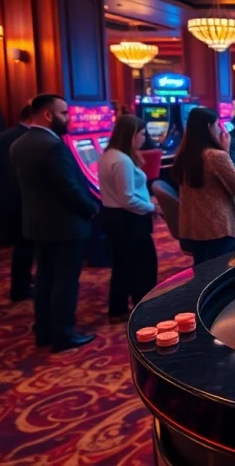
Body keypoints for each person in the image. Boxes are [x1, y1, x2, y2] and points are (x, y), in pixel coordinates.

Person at [10, 94, 99, 352]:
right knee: (64, 282)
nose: (68, 118)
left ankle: (44, 331)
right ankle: (63, 335)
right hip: (64, 226)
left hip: (36, 224)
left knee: (45, 279)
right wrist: (91, 208)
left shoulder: (19, 143)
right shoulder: (53, 146)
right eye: (64, 113)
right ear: (48, 115)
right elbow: (68, 189)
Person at [97, 115, 158, 320]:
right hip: (127, 218)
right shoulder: (121, 160)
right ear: (131, 135)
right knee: (143, 265)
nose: (144, 138)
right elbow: (127, 199)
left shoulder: (109, 154)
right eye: (141, 134)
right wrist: (151, 207)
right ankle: (144, 309)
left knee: (122, 265)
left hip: (116, 217)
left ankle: (119, 308)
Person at [173, 107, 235, 264]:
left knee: (201, 273)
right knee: (217, 274)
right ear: (209, 127)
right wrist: (226, 153)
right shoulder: (216, 156)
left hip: (194, 226)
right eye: (216, 125)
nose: (219, 129)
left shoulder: (183, 153)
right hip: (217, 227)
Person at [0, 104, 33, 302]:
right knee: (24, 247)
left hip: (6, 197)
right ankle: (20, 288)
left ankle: (23, 282)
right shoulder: (27, 140)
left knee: (21, 246)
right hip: (23, 199)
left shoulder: (3, 136)